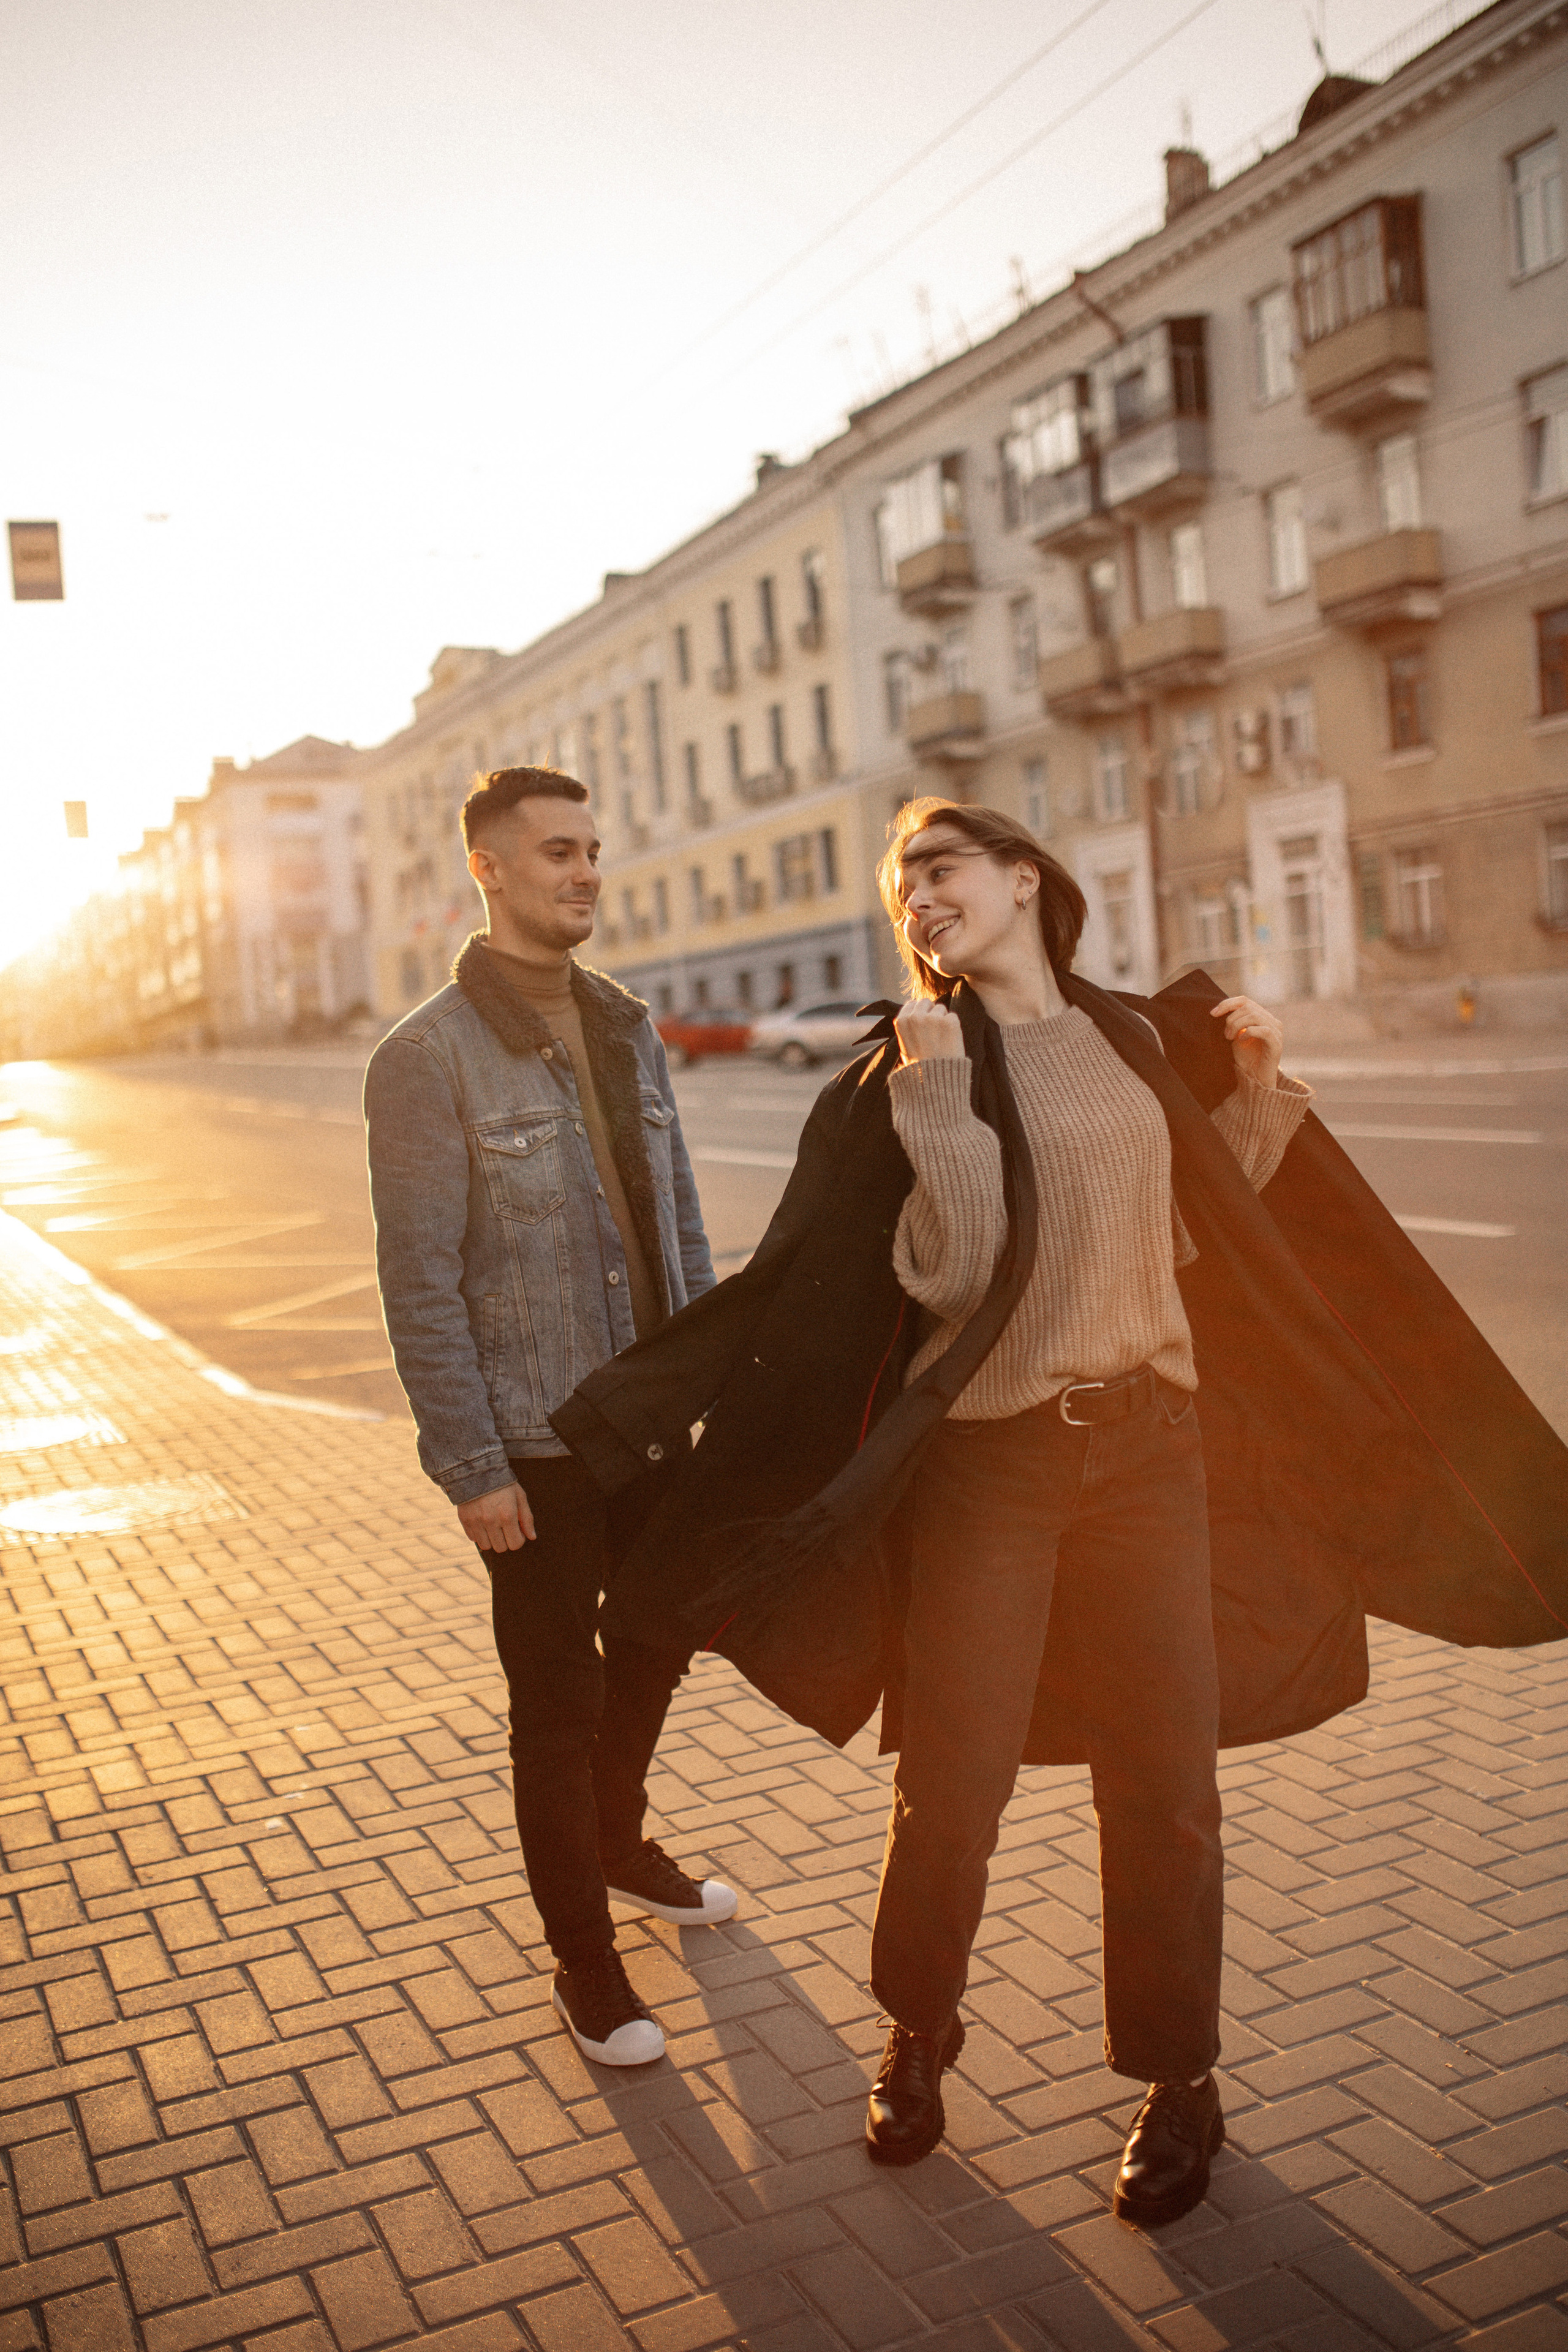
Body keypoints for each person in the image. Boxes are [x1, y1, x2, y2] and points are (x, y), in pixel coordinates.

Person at [549, 796, 1568, 2222]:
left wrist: (1259, 1096)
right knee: (950, 1783)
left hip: (1151, 1460)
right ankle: (918, 2035)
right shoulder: (903, 1074)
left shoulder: (1136, 1042)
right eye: (899, 883)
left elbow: (1200, 1239)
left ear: (1022, 880)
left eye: (939, 867)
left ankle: (1178, 2075)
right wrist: (935, 1087)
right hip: (994, 1469)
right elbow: (960, 1271)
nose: (914, 898)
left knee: (1165, 1789)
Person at [364, 766, 733, 2071]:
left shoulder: (624, 1023)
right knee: (554, 1704)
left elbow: (674, 1217)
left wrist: (704, 1383)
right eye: (558, 851)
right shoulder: (423, 1057)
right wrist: (468, 1464)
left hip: (644, 1418)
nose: (584, 872)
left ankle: (617, 1841)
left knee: (659, 1643)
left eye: (593, 849)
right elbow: (419, 1278)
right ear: (490, 867)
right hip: (530, 1441)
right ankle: (585, 1961)